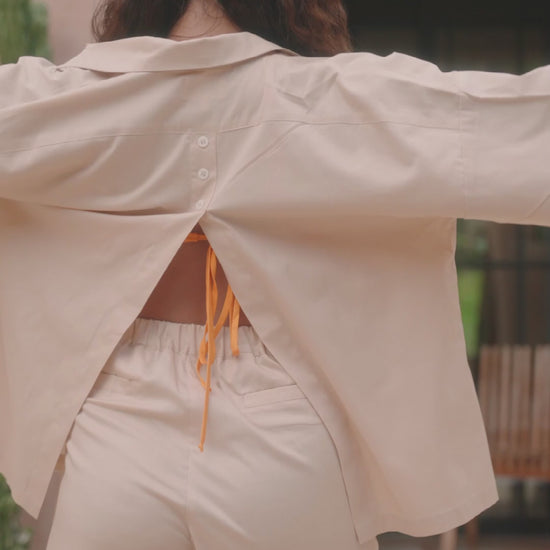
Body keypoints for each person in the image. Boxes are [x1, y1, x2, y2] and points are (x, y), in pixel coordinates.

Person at [1, 0, 550, 548]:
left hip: (118, 424)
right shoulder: (340, 96)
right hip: (282, 420)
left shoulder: (76, 98)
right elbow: (521, 136)